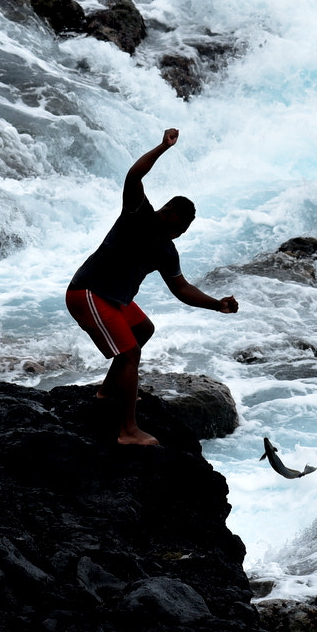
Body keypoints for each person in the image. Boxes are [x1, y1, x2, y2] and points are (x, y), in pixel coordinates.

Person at [66, 128, 237, 445]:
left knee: (143, 329)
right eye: (179, 226)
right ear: (167, 212)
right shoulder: (137, 214)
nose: (180, 234)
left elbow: (182, 289)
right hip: (88, 292)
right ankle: (128, 431)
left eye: (185, 231)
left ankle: (107, 391)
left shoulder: (165, 249)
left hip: (114, 299)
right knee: (129, 352)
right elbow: (134, 175)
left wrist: (217, 304)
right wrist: (163, 146)